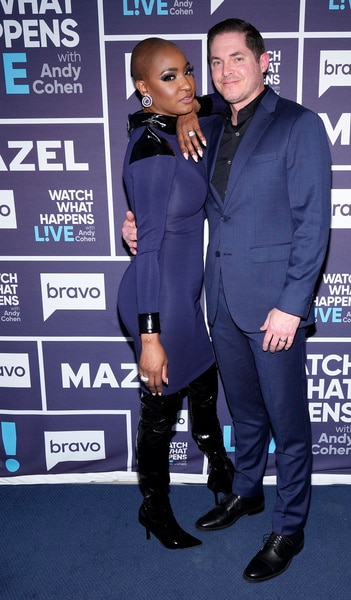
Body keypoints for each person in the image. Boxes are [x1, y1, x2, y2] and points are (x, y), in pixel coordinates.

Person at [123, 18, 331, 581]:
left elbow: (314, 225)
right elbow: (146, 124)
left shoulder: (299, 124)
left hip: (274, 309)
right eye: (214, 62)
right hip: (220, 303)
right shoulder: (208, 124)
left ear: (264, 62)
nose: (224, 71)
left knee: (287, 422)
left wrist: (292, 305)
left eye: (237, 58)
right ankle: (248, 492)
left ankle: (288, 529)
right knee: (246, 411)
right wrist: (137, 217)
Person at [117, 37, 233, 551]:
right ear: (143, 89)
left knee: (206, 396)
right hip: (155, 302)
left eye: (188, 71)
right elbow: (146, 253)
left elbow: (222, 101)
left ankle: (224, 481)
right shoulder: (148, 149)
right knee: (160, 413)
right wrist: (149, 338)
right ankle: (155, 506)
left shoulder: (184, 125)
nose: (186, 83)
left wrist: (188, 113)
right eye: (169, 78)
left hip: (183, 300)